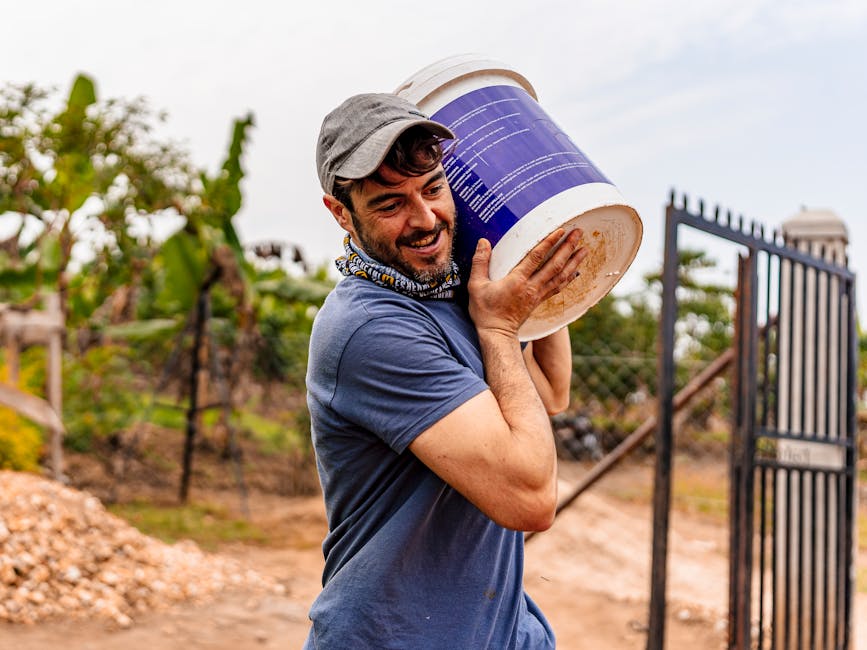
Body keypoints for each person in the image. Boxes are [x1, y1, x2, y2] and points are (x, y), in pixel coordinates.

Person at [304, 92, 587, 649]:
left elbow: (549, 394)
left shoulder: (452, 290)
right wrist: (501, 330)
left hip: (499, 632)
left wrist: (528, 258)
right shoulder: (370, 330)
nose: (426, 218)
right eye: (391, 204)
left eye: (433, 188)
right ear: (342, 213)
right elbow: (530, 497)